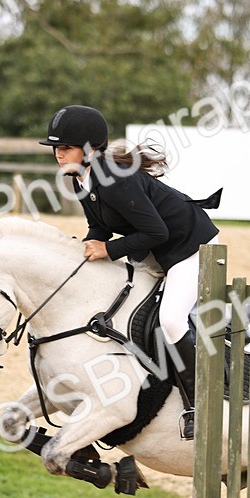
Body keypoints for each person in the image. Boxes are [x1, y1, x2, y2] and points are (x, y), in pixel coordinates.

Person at [39, 105, 221, 440]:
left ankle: (200, 403)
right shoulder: (82, 179)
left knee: (171, 319)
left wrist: (107, 250)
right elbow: (98, 226)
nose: (58, 154)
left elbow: (157, 233)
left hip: (189, 248)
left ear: (90, 148)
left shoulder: (117, 180)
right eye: (56, 148)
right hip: (156, 249)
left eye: (65, 147)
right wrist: (88, 247)